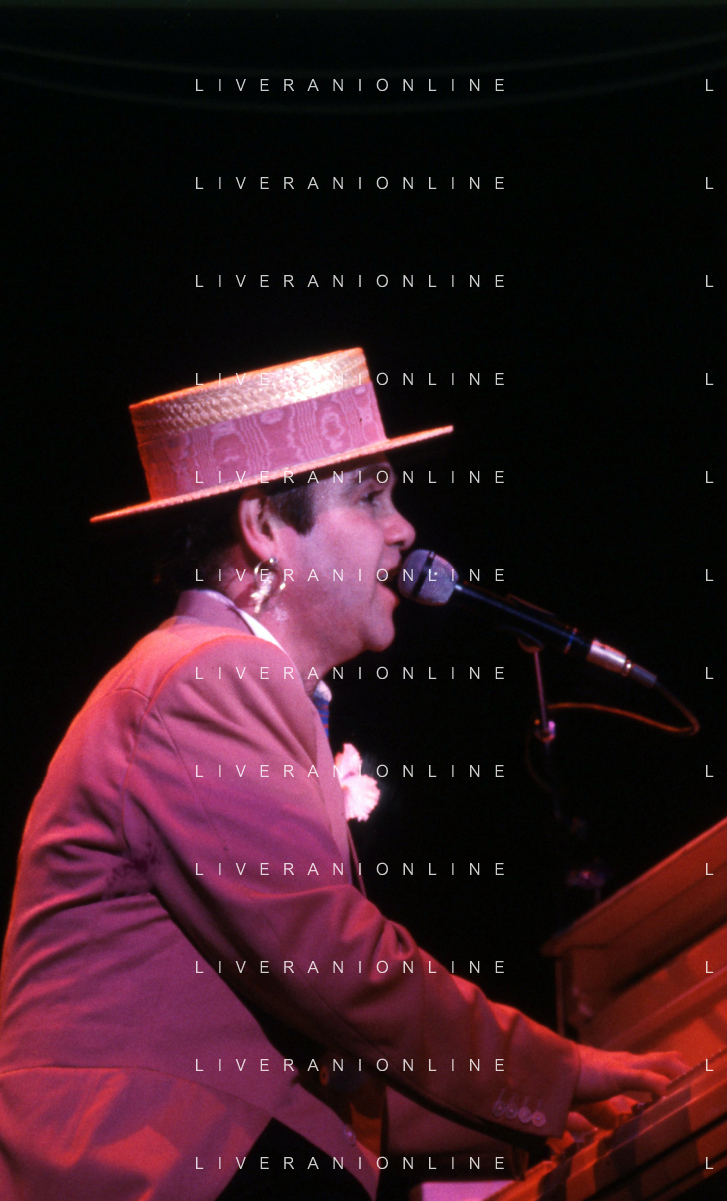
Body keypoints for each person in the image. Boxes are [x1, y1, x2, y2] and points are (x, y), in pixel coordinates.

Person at [0, 349, 685, 1201]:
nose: (404, 530)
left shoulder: (219, 676)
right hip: (154, 1165)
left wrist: (536, 1116)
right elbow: (339, 964)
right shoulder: (208, 675)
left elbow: (312, 1052)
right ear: (263, 527)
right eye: (369, 496)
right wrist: (557, 1070)